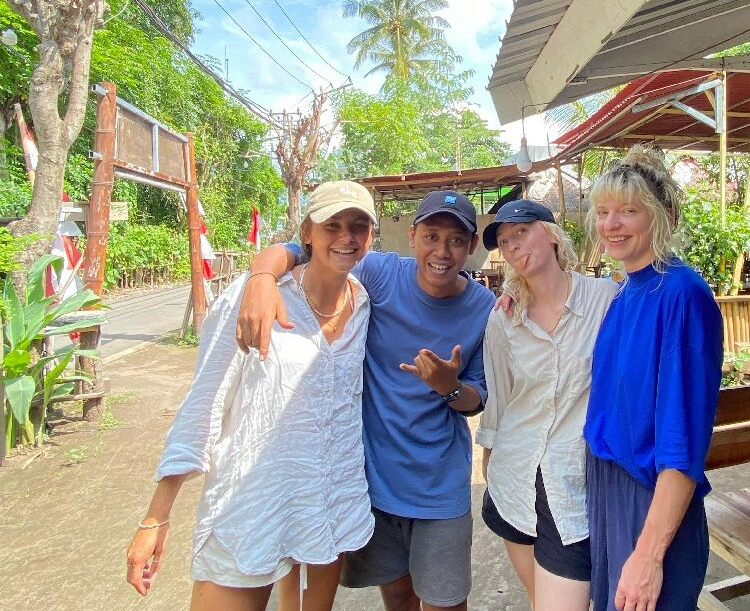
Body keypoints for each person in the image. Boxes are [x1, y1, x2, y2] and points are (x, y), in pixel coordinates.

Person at [235, 190, 495, 611]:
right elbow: (306, 250)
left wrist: (448, 386)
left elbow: (476, 399)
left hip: (439, 486)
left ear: (472, 246)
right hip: (372, 483)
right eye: (431, 236)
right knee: (397, 595)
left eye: (456, 240)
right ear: (412, 236)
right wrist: (261, 277)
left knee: (445, 601)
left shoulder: (484, 308)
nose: (442, 252)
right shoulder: (380, 272)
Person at [126, 180, 379, 611]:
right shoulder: (253, 298)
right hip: (252, 503)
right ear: (307, 232)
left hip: (326, 504)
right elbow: (205, 402)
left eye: (358, 226)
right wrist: (156, 516)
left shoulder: (363, 304)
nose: (346, 237)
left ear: (371, 235)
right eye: (332, 225)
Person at [584, 145, 723, 611]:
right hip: (612, 491)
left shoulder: (681, 294)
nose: (611, 224)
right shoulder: (627, 291)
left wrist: (649, 554)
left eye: (628, 211)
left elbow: (682, 441)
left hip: (651, 502)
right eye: (603, 212)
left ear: (663, 216)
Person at [476, 199, 617, 611]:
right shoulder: (503, 318)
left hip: (573, 483)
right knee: (541, 601)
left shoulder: (605, 299)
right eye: (505, 241)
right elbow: (500, 399)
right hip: (514, 480)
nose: (513, 245)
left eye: (522, 232)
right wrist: (489, 464)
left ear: (552, 234)